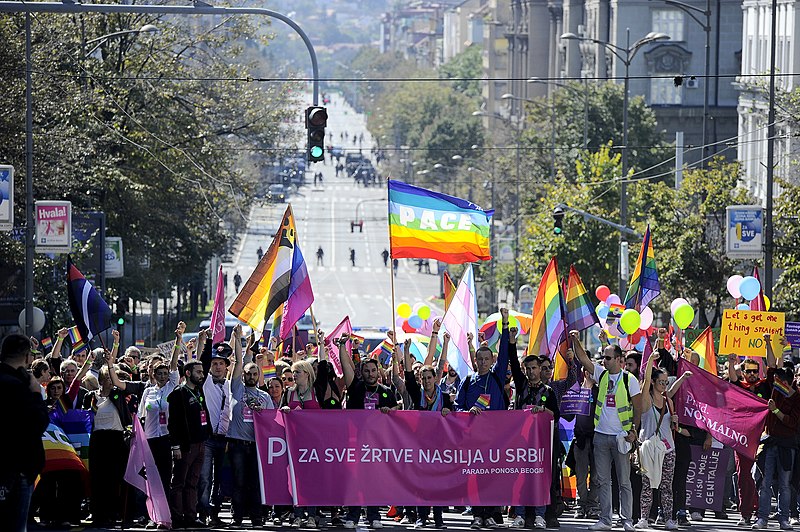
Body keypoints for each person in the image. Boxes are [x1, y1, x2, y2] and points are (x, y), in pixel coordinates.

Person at [571, 329, 642, 532]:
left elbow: (638, 408)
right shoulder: (601, 374)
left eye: (609, 358)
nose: (605, 361)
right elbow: (584, 359)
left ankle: (627, 519)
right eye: (604, 357)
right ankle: (605, 519)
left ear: (619, 360)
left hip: (621, 437)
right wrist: (576, 340)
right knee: (602, 480)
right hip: (601, 436)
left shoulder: (630, 380)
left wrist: (634, 431)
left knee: (624, 481)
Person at [83, 330, 146, 527]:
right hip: (97, 440)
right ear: (101, 380)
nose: (110, 381)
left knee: (114, 478)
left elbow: (120, 380)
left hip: (116, 439)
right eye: (106, 379)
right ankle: (98, 513)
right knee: (97, 478)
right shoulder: (91, 397)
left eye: (111, 378)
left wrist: (116, 348)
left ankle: (114, 512)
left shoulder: (118, 396)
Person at [456, 308, 511, 530]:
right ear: (475, 360)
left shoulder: (497, 377)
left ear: (492, 360)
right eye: (479, 359)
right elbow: (458, 405)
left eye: (486, 359)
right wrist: (468, 411)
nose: (483, 362)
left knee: (493, 476)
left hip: (496, 438)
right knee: (477, 478)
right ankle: (477, 514)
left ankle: (491, 513)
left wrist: (505, 324)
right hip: (474, 439)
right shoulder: (468, 381)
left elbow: (505, 352)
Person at [341, 342, 399, 529]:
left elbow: (397, 414)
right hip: (356, 443)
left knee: (374, 480)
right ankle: (353, 515)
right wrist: (342, 346)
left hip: (378, 444)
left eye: (373, 370)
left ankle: (374, 515)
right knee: (355, 481)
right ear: (362, 372)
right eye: (366, 371)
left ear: (378, 371)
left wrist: (390, 410)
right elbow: (345, 367)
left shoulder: (386, 392)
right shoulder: (356, 387)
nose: (370, 374)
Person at [0, 334, 50, 531]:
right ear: (28, 356)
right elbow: (36, 423)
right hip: (17, 467)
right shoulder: (18, 386)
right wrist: (37, 395)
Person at [402, 335, 452, 529]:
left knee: (438, 484)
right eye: (423, 378)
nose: (426, 381)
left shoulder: (445, 397)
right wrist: (406, 351)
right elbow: (407, 374)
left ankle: (439, 520)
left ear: (435, 378)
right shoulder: (416, 393)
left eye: (429, 377)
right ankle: (422, 518)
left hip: (440, 447)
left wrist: (449, 412)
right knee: (421, 483)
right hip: (419, 445)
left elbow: (454, 419)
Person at [635, 350, 688, 531]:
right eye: (661, 382)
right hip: (649, 449)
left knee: (667, 486)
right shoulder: (646, 399)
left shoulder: (668, 400)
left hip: (667, 449)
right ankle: (643, 518)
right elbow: (646, 380)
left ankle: (668, 518)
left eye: (666, 382)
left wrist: (675, 422)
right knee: (647, 484)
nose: (664, 385)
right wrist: (650, 360)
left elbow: (672, 391)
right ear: (653, 382)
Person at [753, 336, 799, 530]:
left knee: (785, 485)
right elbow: (771, 364)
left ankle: (784, 519)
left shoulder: (797, 398)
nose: (778, 384)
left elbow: (793, 423)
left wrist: (776, 411)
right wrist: (769, 343)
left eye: (782, 382)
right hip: (770, 443)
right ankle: (762, 518)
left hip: (787, 446)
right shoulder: (775, 389)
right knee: (765, 482)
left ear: (790, 383)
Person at [228, 334, 274, 528]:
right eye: (248, 373)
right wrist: (239, 341)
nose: (252, 377)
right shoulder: (237, 388)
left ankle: (257, 517)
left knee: (255, 482)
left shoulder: (265, 397)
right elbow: (238, 363)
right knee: (238, 482)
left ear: (259, 375)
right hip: (237, 443)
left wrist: (262, 412)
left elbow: (273, 421)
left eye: (255, 374)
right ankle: (237, 517)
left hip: (257, 445)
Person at [729, 342, 775, 527]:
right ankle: (746, 512)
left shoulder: (765, 386)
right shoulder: (740, 388)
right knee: (743, 476)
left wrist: (768, 342)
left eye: (755, 371)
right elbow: (732, 380)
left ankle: (762, 511)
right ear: (743, 372)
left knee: (766, 476)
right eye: (749, 371)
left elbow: (772, 366)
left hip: (764, 438)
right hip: (743, 438)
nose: (753, 374)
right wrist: (732, 363)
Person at [138, 323, 184, 499]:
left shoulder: (172, 387)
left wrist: (178, 341)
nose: (163, 376)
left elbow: (173, 365)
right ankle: (152, 511)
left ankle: (166, 513)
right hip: (150, 438)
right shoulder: (148, 391)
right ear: (154, 375)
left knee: (165, 475)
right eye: (160, 374)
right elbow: (142, 416)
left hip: (166, 438)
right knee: (150, 476)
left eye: (165, 373)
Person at [197, 328, 236, 527]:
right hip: (208, 439)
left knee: (220, 478)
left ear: (227, 367)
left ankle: (215, 512)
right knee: (205, 477)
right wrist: (207, 341)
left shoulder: (231, 385)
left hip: (226, 440)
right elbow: (200, 363)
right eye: (214, 364)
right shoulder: (206, 383)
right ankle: (202, 512)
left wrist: (236, 340)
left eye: (221, 363)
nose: (218, 367)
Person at [168, 359, 212, 528]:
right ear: (188, 373)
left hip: (200, 443)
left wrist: (207, 342)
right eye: (198, 372)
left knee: (193, 482)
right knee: (179, 482)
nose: (202, 375)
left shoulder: (199, 390)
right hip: (185, 446)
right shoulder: (178, 393)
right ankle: (177, 518)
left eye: (202, 372)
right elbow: (174, 423)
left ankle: (191, 517)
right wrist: (175, 446)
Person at [280, 359, 322, 527]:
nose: (294, 375)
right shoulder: (289, 392)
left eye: (297, 372)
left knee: (312, 479)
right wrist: (284, 411)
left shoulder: (317, 390)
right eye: (293, 372)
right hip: (294, 441)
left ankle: (311, 516)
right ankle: (297, 515)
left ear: (306, 373)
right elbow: (280, 413)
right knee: (295, 479)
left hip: (314, 443)